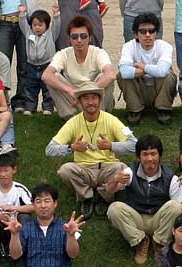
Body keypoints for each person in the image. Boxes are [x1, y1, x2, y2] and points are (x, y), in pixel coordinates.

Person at [45, 85, 136, 217]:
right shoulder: (73, 122)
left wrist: (111, 146)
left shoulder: (111, 120)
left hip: (107, 167)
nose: (91, 102)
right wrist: (72, 148)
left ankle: (104, 196)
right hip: (84, 169)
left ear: (100, 100)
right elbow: (49, 149)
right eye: (86, 98)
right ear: (80, 102)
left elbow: (134, 144)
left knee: (122, 168)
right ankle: (87, 197)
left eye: (94, 98)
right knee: (65, 170)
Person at [2, 184, 84, 267]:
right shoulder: (25, 228)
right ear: (33, 205)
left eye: (47, 201)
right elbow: (15, 255)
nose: (43, 205)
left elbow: (73, 254)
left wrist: (70, 235)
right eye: (38, 201)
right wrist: (15, 234)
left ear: (55, 203)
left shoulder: (65, 227)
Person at [106, 134, 182, 264]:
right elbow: (109, 192)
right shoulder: (129, 172)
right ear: (139, 156)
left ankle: (159, 242)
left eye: (153, 154)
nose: (149, 158)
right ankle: (140, 241)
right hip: (136, 218)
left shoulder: (171, 177)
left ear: (159, 155)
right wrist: (115, 180)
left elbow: (181, 208)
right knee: (114, 208)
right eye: (145, 154)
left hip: (159, 220)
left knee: (176, 207)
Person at [42, 16, 116, 119]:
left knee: (104, 76)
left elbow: (111, 75)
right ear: (69, 39)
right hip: (73, 98)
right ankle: (71, 117)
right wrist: (70, 91)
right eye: (74, 36)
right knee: (54, 77)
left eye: (83, 36)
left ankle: (98, 116)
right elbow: (46, 75)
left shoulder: (98, 53)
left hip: (93, 98)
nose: (79, 40)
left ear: (90, 38)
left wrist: (85, 93)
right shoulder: (63, 54)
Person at [117, 12, 177, 125]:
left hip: (158, 89)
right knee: (121, 76)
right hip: (139, 89)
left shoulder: (165, 46)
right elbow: (124, 72)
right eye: (143, 31)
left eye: (151, 31)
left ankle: (163, 109)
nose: (148, 35)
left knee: (168, 75)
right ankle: (135, 110)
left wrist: (143, 66)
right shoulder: (129, 46)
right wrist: (153, 70)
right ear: (136, 34)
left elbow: (162, 71)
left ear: (156, 33)